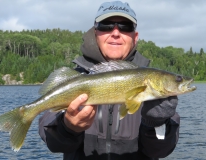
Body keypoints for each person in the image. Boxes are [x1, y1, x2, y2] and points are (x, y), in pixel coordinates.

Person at [39, 1, 180, 160]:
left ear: (135, 36)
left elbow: (160, 151)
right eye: (106, 25)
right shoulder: (75, 78)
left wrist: (156, 123)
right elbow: (53, 143)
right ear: (95, 32)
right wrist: (68, 128)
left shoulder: (157, 93)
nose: (115, 32)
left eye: (125, 26)